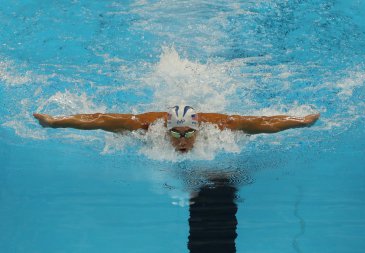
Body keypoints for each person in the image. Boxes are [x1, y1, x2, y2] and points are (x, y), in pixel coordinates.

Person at [33, 105, 320, 153]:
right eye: (175, 133)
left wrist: (301, 121)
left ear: (198, 129)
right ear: (165, 129)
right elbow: (97, 120)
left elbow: (264, 123)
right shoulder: (147, 126)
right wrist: (56, 122)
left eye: (187, 133)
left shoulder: (218, 126)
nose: (181, 140)